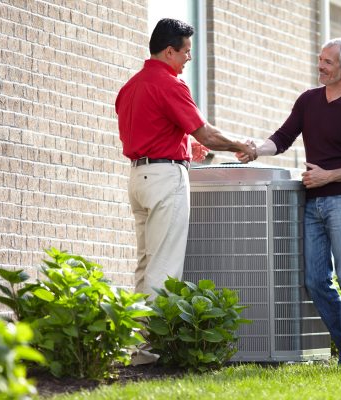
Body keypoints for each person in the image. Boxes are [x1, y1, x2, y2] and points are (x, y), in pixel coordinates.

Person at [115, 18, 256, 364]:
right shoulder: (170, 84)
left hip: (139, 179)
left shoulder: (130, 87)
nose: (189, 59)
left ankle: (135, 346)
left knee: (146, 264)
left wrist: (181, 142)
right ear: (168, 51)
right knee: (164, 268)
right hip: (165, 180)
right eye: (186, 52)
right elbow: (206, 133)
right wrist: (240, 144)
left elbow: (151, 129)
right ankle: (154, 349)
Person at [238, 37, 341, 366]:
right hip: (312, 202)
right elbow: (282, 138)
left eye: (328, 62)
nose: (321, 65)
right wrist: (256, 149)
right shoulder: (308, 101)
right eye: (320, 59)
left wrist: (328, 176)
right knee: (315, 279)